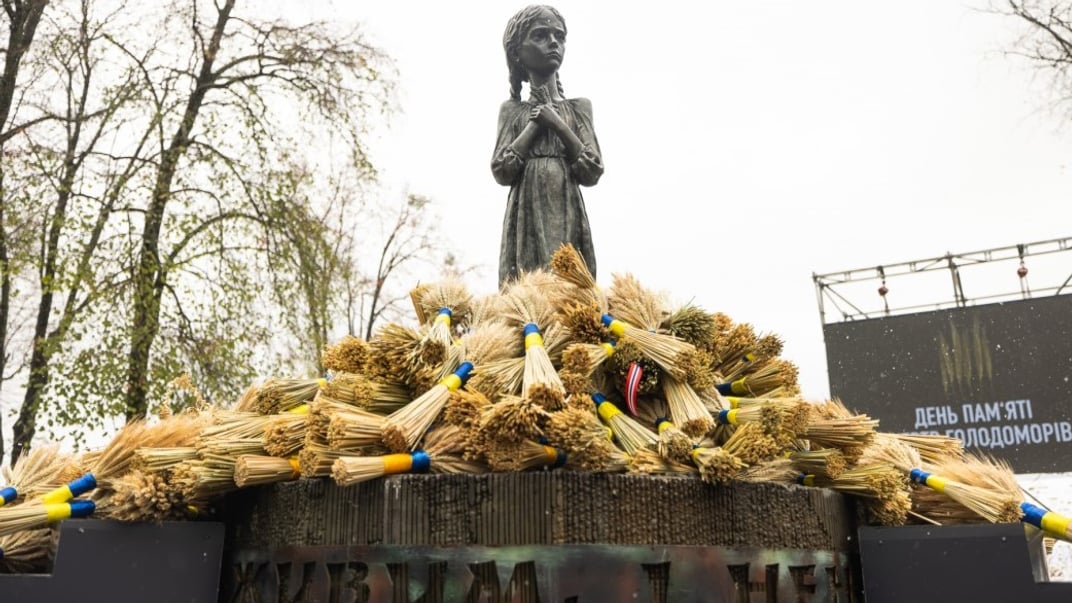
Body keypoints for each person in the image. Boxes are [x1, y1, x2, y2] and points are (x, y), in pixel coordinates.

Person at [492, 5, 603, 288]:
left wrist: (557, 123)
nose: (553, 42)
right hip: (526, 211)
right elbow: (502, 170)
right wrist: (535, 124)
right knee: (529, 290)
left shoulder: (579, 108)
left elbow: (591, 170)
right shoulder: (512, 111)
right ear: (517, 52)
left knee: (569, 290)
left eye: (559, 36)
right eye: (540, 35)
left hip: (567, 208)